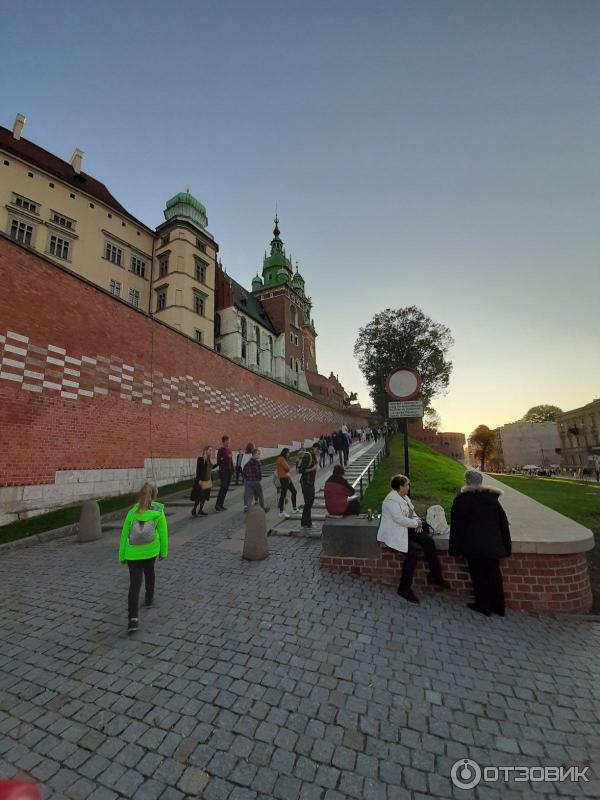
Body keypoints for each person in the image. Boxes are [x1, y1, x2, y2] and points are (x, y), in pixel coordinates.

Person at [377, 474, 448, 604]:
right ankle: (404, 588)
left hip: (407, 529)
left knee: (428, 541)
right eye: (407, 485)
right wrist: (417, 524)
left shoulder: (404, 497)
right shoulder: (390, 501)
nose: (409, 487)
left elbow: (413, 513)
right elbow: (399, 519)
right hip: (395, 532)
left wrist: (417, 522)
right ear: (400, 487)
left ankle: (435, 575)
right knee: (412, 554)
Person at [449, 470, 512, 617]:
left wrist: (454, 549)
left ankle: (483, 605)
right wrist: (506, 547)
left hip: (473, 545)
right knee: (494, 574)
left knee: (478, 575)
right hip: (493, 545)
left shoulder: (462, 500)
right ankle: (499, 606)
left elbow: (457, 527)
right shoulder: (493, 500)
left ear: (467, 482)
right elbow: (503, 524)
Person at [119, 483, 168, 634]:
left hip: (133, 553)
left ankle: (133, 619)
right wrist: (163, 552)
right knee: (150, 571)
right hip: (150, 550)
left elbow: (124, 534)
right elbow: (163, 533)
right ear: (153, 496)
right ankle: (149, 598)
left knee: (134, 584)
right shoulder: (158, 512)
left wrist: (121, 555)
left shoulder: (132, 512)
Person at [299, 443, 319, 529]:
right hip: (306, 483)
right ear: (315, 448)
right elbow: (301, 470)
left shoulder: (313, 456)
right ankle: (307, 523)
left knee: (309, 503)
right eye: (318, 449)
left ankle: (305, 522)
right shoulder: (308, 456)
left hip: (310, 483)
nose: (319, 452)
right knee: (308, 503)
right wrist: (312, 468)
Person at [191, 446, 214, 516]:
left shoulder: (209, 460)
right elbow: (198, 471)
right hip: (202, 481)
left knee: (204, 497)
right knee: (199, 496)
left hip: (208, 481)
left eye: (211, 450)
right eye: (210, 450)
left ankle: (200, 510)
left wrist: (220, 463)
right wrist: (199, 480)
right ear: (205, 451)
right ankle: (194, 509)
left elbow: (211, 467)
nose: (211, 451)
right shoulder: (201, 459)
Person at [276, 447, 298, 517]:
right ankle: (281, 511)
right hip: (284, 478)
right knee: (283, 494)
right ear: (285, 453)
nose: (289, 454)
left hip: (286, 478)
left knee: (294, 491)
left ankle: (294, 508)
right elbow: (287, 468)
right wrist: (287, 466)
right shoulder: (281, 459)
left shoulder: (281, 459)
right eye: (288, 453)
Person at [215, 435, 234, 511]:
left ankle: (221, 504)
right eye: (228, 441)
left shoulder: (229, 450)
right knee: (223, 487)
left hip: (229, 471)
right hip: (223, 471)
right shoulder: (221, 450)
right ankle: (217, 505)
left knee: (226, 488)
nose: (229, 442)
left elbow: (230, 461)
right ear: (224, 441)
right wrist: (228, 457)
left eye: (229, 441)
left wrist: (233, 470)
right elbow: (219, 461)